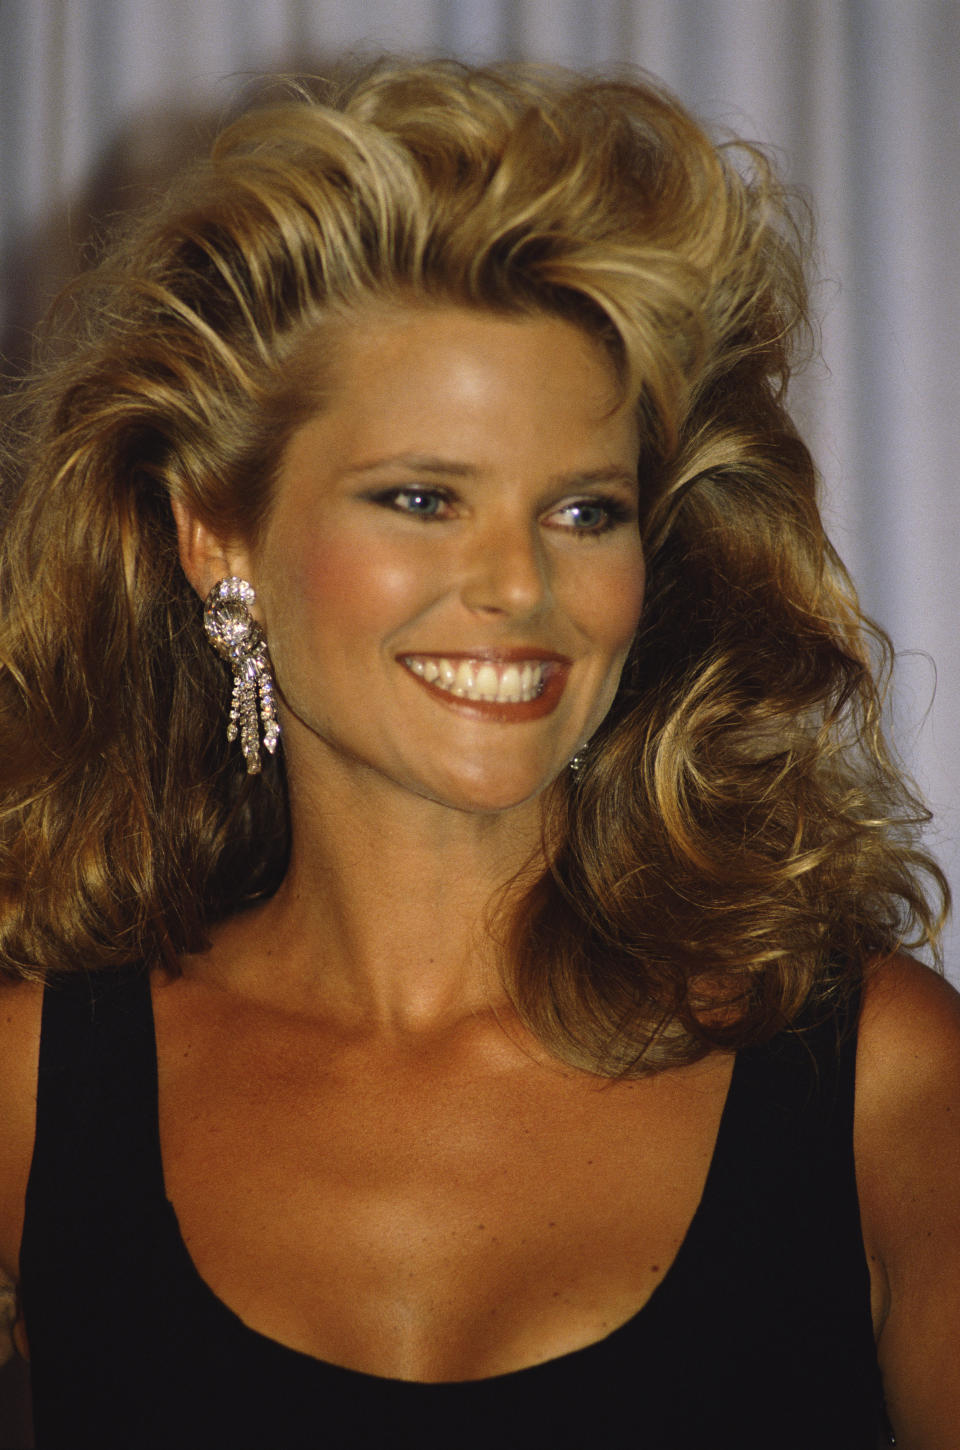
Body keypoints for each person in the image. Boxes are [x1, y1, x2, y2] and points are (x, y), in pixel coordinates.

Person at [0, 57, 957, 1450]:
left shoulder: (881, 1086)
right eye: (424, 497)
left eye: (582, 511)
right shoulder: (30, 1087)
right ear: (219, 532)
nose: (519, 584)